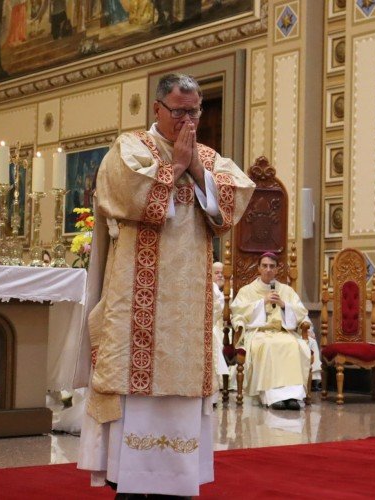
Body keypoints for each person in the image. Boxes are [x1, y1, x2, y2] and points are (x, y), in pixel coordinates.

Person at [75, 73, 255, 498]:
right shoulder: (130, 147)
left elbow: (234, 202)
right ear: (157, 108)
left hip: (186, 317)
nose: (188, 120)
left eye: (195, 111)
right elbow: (125, 192)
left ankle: (176, 484)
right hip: (137, 309)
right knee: (135, 395)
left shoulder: (208, 158)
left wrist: (193, 165)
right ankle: (132, 483)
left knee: (182, 398)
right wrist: (175, 167)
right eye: (179, 111)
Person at [229, 252, 311, 411]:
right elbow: (237, 313)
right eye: (265, 266)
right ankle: (272, 397)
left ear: (277, 269)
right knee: (268, 346)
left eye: (272, 266)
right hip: (259, 333)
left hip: (283, 332)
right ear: (258, 268)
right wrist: (263, 302)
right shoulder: (247, 291)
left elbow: (301, 312)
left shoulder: (286, 290)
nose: (268, 270)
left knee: (293, 345)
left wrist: (283, 305)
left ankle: (292, 396)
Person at [212, 261, 230, 397]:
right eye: (216, 273)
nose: (220, 276)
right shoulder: (209, 290)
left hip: (229, 329)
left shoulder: (232, 292)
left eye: (222, 273)